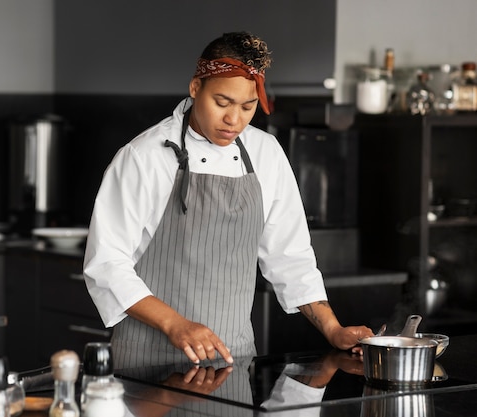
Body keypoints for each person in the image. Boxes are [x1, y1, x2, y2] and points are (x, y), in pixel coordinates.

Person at [83, 31, 373, 369]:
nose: (234, 120)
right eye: (222, 102)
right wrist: (175, 324)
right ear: (195, 88)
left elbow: (290, 256)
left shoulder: (265, 153)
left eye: (247, 107)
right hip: (147, 360)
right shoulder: (143, 157)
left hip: (231, 361)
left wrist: (333, 329)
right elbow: (106, 264)